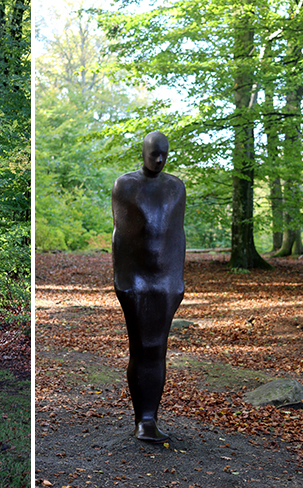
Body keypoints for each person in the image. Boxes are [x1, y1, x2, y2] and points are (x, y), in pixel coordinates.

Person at [111, 131, 186, 442]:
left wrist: (178, 279)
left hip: (166, 281)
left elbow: (177, 235)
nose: (159, 159)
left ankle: (150, 418)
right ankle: (142, 418)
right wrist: (122, 281)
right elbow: (120, 236)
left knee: (157, 349)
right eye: (154, 153)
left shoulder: (175, 187)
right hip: (137, 281)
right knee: (141, 348)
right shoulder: (126, 185)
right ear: (143, 152)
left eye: (164, 154)